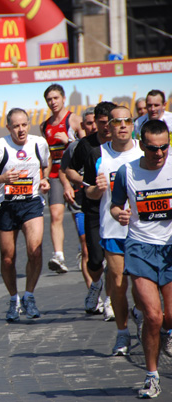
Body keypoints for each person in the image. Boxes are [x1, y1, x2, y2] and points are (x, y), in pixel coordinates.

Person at [110, 119, 172, 399]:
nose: (159, 154)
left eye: (164, 148)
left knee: (169, 316)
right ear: (141, 143)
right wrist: (118, 214)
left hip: (170, 249)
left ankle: (166, 333)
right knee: (152, 315)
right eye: (152, 148)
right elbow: (115, 205)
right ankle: (152, 376)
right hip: (140, 247)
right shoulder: (127, 172)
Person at [0, 108, 50, 322]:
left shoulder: (39, 144)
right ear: (9, 127)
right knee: (8, 258)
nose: (21, 130)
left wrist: (43, 180)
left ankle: (29, 296)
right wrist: (2, 179)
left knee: (35, 250)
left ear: (29, 125)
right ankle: (13, 299)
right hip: (7, 205)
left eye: (24, 125)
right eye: (16, 126)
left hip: (31, 203)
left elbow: (46, 164)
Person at [84, 106, 143, 356]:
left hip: (145, 231)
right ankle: (122, 333)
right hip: (113, 231)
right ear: (108, 125)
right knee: (118, 284)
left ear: (132, 125)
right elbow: (88, 193)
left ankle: (143, 314)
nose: (121, 125)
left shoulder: (146, 150)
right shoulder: (99, 154)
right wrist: (96, 190)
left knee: (141, 287)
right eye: (116, 121)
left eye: (126, 121)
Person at [66, 101, 117, 317]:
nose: (107, 127)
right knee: (95, 259)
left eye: (110, 123)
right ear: (95, 122)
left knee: (115, 259)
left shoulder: (123, 145)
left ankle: (110, 301)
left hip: (117, 208)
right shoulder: (85, 146)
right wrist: (84, 181)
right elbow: (69, 170)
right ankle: (96, 284)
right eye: (102, 123)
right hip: (93, 208)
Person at [40, 84, 85, 274]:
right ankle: (58, 256)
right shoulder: (45, 126)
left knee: (78, 216)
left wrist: (69, 141)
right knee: (56, 214)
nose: (53, 102)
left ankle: (85, 249)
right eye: (49, 99)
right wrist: (43, 177)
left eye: (56, 98)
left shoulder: (74, 120)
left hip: (74, 174)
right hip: (55, 175)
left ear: (63, 99)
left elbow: (85, 147)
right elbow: (47, 156)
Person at [59, 108, 96, 294]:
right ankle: (93, 293)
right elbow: (62, 170)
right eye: (89, 123)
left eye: (96, 121)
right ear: (83, 126)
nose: (94, 126)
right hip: (80, 204)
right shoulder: (74, 147)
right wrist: (66, 186)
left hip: (103, 205)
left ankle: (110, 297)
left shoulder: (110, 147)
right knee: (86, 247)